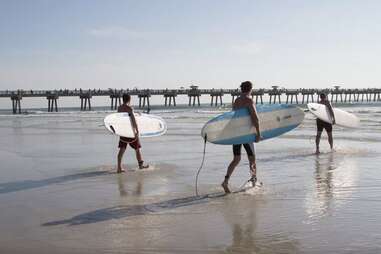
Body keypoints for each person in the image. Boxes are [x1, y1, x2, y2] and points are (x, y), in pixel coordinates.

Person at [222, 81, 261, 194]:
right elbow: (255, 117)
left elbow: (234, 116)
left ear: (241, 89)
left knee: (236, 159)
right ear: (250, 89)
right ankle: (254, 182)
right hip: (246, 135)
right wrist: (258, 133)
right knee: (252, 159)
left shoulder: (237, 100)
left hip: (237, 133)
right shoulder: (249, 100)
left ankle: (225, 181)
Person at [117, 94, 149, 173]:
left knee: (122, 149)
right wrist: (137, 130)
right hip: (130, 132)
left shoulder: (119, 108)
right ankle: (141, 165)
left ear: (123, 99)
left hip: (123, 131)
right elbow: (133, 120)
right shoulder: (129, 108)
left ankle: (119, 168)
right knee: (137, 149)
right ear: (129, 99)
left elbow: (119, 119)